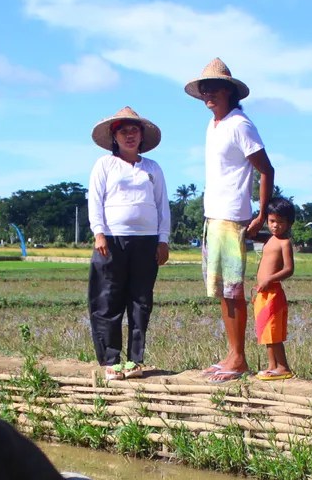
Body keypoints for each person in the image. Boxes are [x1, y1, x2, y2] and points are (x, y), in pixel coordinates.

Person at [185, 58, 274, 382]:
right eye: (204, 89)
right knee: (222, 290)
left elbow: (266, 169)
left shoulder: (240, 124)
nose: (208, 94)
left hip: (232, 216)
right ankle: (232, 353)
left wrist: (261, 213)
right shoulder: (214, 126)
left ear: (229, 91)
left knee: (233, 290)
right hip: (214, 216)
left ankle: (238, 358)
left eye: (214, 88)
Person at [86, 106, 171, 380]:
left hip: (146, 242)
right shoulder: (104, 165)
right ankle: (111, 360)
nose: (130, 135)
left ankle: (135, 360)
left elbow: (162, 205)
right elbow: (95, 200)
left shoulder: (152, 168)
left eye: (134, 130)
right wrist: (99, 232)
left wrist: (163, 239)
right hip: (111, 240)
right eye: (123, 131)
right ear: (115, 136)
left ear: (142, 135)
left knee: (140, 301)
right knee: (107, 299)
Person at [252, 196, 296, 381]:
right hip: (263, 292)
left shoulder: (284, 243)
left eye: (280, 222)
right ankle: (272, 366)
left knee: (273, 331)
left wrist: (269, 279)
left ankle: (283, 367)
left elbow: (289, 269)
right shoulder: (269, 239)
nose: (275, 225)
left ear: (289, 223)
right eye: (272, 221)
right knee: (265, 331)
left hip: (273, 292)